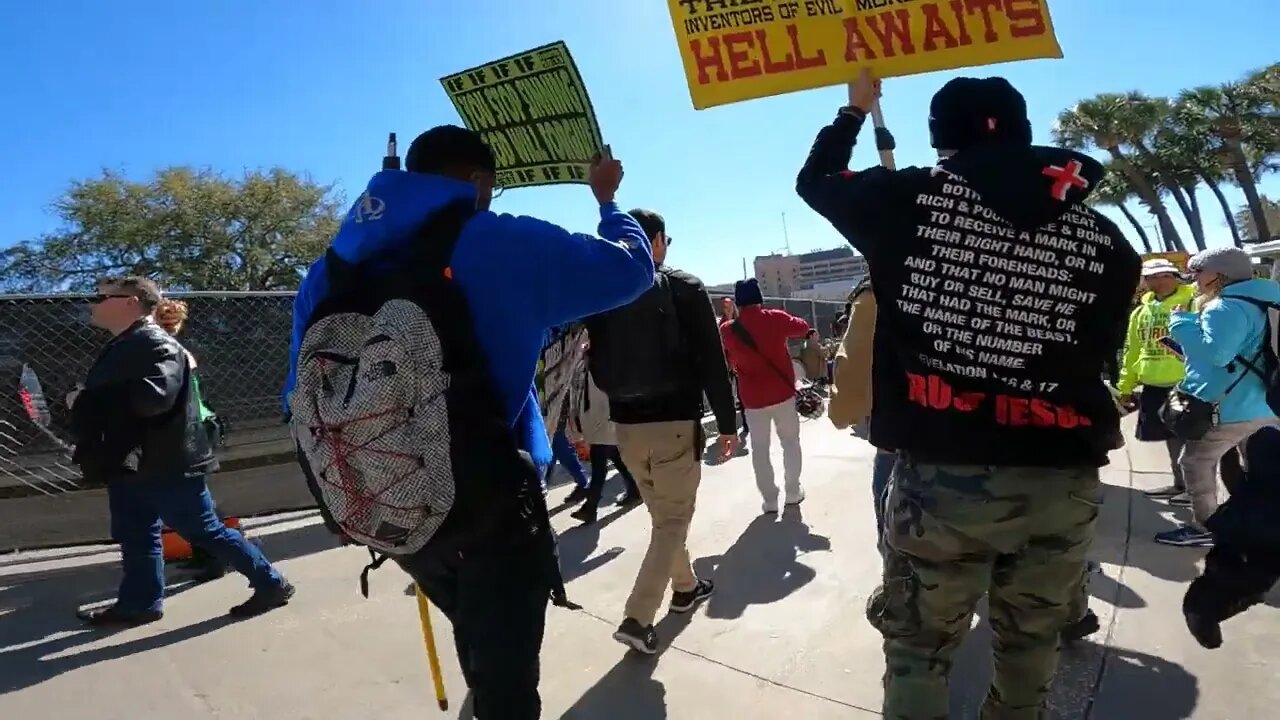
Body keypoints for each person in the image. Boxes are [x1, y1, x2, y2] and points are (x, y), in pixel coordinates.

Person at [797, 71, 1140, 718]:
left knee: (918, 650)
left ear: (940, 141)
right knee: (1029, 651)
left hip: (941, 476)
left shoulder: (907, 200)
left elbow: (816, 182)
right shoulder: (1107, 243)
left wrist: (853, 111)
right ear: (1026, 133)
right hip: (1062, 475)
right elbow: (1101, 353)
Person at [284, 126, 654, 719]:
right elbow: (632, 272)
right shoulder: (498, 242)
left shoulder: (329, 268)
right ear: (479, 182)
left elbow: (298, 396)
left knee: (473, 625)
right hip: (484, 499)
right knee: (508, 665)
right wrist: (607, 201)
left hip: (390, 503)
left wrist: (338, 490)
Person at [70, 276, 293, 626]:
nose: (91, 304)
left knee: (206, 531)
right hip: (132, 461)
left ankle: (271, 583)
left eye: (100, 297)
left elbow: (153, 398)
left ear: (130, 302)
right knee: (135, 534)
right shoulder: (126, 343)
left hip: (166, 463)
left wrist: (89, 399)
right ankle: (140, 604)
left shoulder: (155, 344)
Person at [585, 208, 738, 655]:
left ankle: (686, 587)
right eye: (665, 241)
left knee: (662, 518)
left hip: (626, 428)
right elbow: (713, 361)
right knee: (672, 520)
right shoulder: (684, 287)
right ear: (655, 241)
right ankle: (638, 617)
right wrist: (728, 425)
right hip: (673, 423)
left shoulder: (604, 292)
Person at [1155, 247, 1280, 548]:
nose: (1193, 278)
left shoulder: (1225, 306)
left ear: (1219, 275)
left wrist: (1181, 324)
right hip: (1265, 402)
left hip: (1229, 406)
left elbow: (1218, 354)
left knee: (1195, 462)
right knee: (1259, 468)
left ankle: (1206, 527)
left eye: (1199, 272)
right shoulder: (1268, 299)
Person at [153, 298, 231, 583]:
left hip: (191, 430)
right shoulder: (171, 349)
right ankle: (215, 554)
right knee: (194, 499)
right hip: (196, 427)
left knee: (192, 500)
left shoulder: (165, 351)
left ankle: (223, 554)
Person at [719, 278, 811, 513]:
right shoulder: (775, 318)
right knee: (790, 442)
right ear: (759, 298)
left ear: (738, 303)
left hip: (753, 400)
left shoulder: (728, 329)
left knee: (760, 449)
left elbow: (728, 358)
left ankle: (770, 500)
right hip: (782, 393)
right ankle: (792, 491)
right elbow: (802, 327)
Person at [1117, 258, 1196, 505]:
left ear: (1174, 276)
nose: (1156, 281)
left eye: (1162, 275)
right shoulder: (1141, 312)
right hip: (1153, 384)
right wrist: (1125, 386)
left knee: (1192, 441)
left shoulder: (1193, 303)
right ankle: (1179, 484)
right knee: (1169, 439)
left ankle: (1194, 491)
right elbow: (1132, 350)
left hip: (1186, 384)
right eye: (1150, 276)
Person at [569, 358, 639, 525]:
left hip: (605, 426)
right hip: (598, 428)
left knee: (599, 470)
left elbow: (607, 400)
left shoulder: (604, 371)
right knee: (617, 459)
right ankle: (636, 490)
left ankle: (590, 508)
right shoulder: (585, 372)